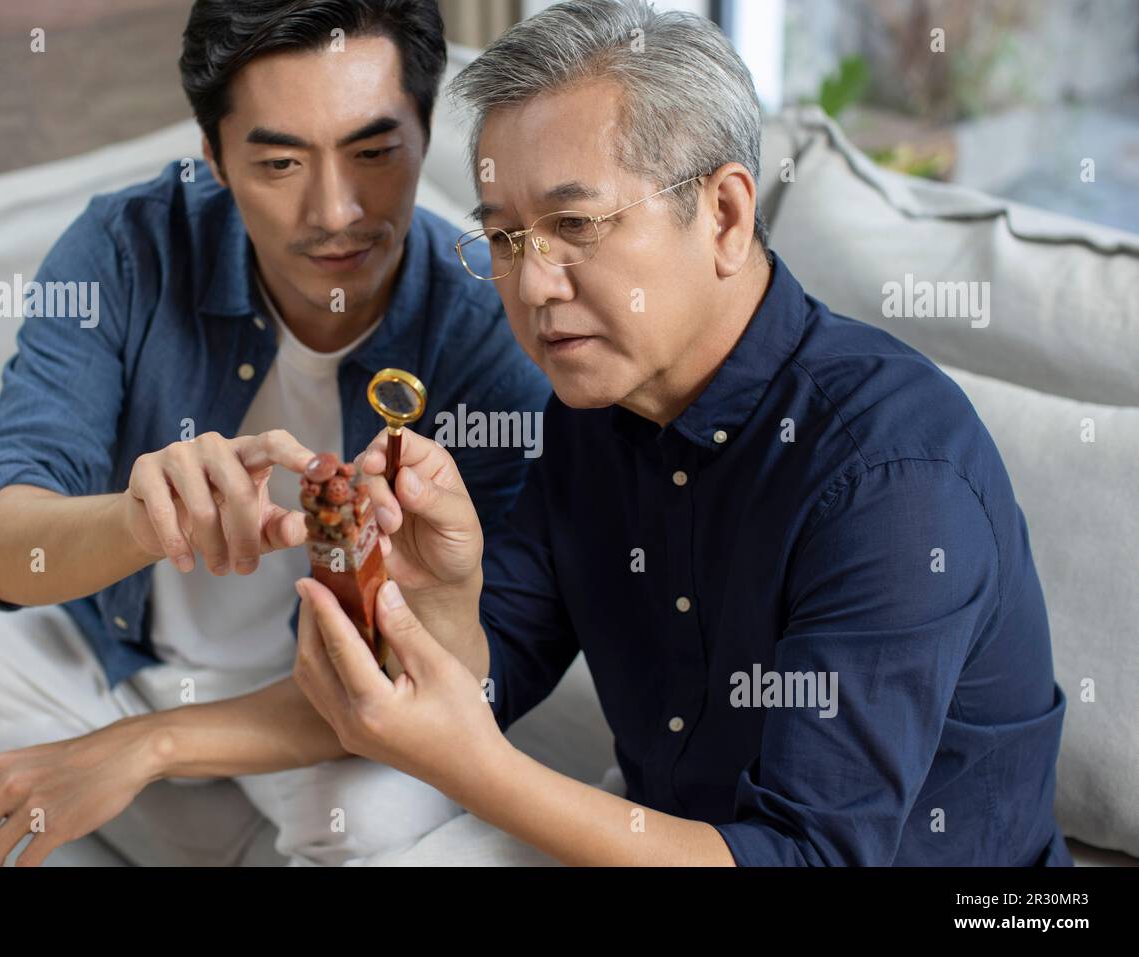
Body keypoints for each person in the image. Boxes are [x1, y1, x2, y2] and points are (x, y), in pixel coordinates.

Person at [290, 0, 1073, 866]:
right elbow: (493, 671)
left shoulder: (892, 478)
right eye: (505, 236)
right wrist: (442, 591)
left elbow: (809, 858)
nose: (532, 284)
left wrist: (475, 769)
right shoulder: (594, 409)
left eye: (575, 225)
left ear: (726, 217)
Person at [0, 0, 548, 867]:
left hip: (321, 713)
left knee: (380, 824)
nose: (337, 210)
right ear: (213, 157)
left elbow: (468, 681)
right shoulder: (129, 245)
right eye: (281, 161)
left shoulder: (491, 331)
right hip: (107, 650)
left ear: (425, 130)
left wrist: (152, 745)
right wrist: (136, 523)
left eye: (374, 152)